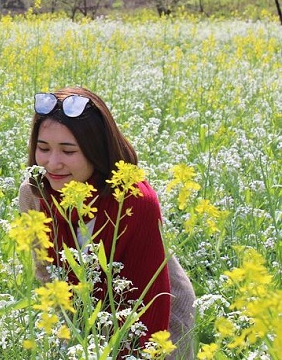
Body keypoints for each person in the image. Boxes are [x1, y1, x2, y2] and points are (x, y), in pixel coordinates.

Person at [18, 86, 195, 359]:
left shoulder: (133, 199)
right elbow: (45, 272)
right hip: (79, 318)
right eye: (43, 148)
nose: (52, 163)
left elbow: (145, 301)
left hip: (159, 321)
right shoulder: (34, 194)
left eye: (68, 151)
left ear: (96, 151)